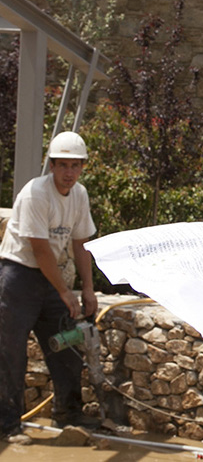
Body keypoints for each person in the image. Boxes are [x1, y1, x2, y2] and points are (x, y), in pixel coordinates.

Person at [0, 131, 98, 442]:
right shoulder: (35, 194)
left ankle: (68, 414)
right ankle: (7, 425)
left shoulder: (79, 195)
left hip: (51, 278)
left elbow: (81, 243)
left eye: (75, 166)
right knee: (10, 351)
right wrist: (65, 291)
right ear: (52, 166)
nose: (69, 172)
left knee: (66, 343)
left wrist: (87, 289)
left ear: (82, 167)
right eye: (63, 165)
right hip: (18, 276)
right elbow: (40, 249)